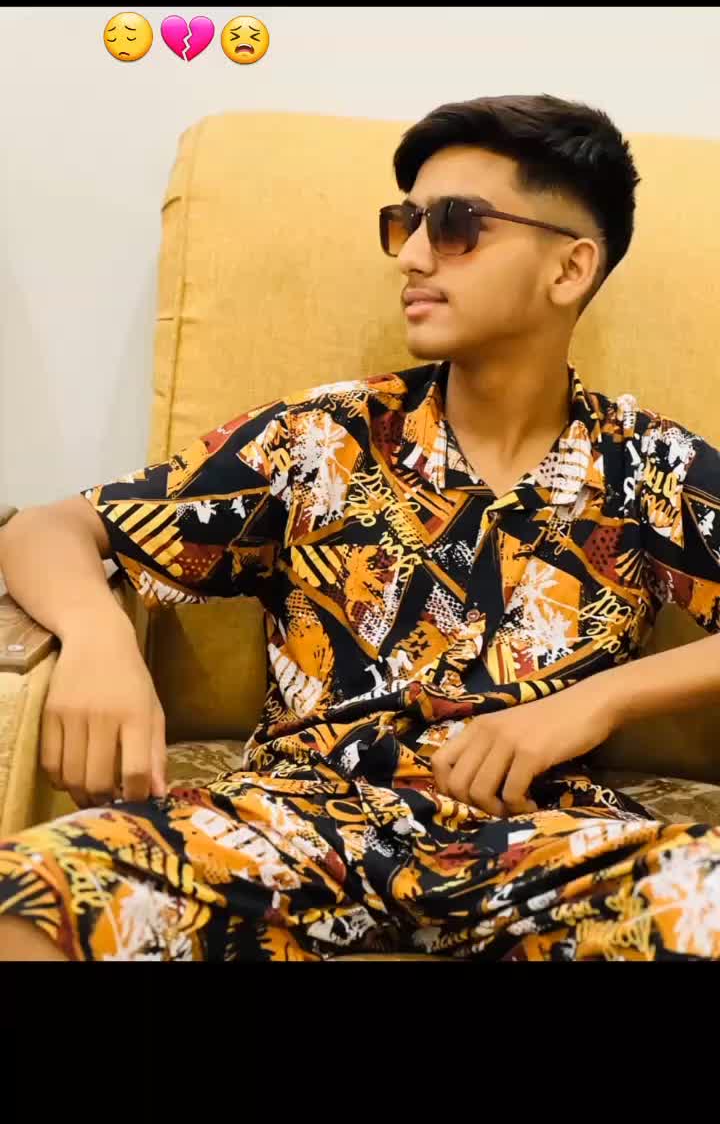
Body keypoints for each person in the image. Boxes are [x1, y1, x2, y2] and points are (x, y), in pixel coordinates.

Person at [1, 93, 720, 963]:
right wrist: (98, 639)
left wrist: (595, 703)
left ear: (569, 269)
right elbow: (48, 529)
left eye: (455, 225)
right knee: (33, 893)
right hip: (296, 825)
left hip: (535, 840)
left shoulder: (648, 465)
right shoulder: (323, 438)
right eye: (405, 223)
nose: (411, 255)